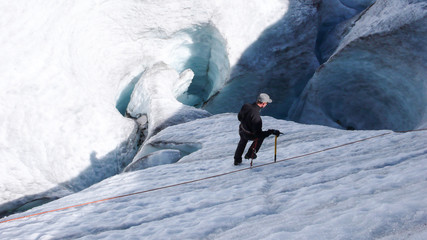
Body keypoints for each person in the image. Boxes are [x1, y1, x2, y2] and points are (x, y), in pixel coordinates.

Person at [234, 93, 280, 165]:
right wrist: (271, 132)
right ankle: (250, 154)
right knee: (260, 137)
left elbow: (239, 117)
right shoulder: (257, 117)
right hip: (249, 134)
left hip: (242, 130)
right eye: (267, 103)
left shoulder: (246, 106)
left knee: (242, 141)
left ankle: (237, 160)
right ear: (263, 104)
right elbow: (258, 134)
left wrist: (246, 124)